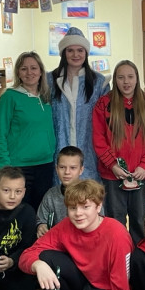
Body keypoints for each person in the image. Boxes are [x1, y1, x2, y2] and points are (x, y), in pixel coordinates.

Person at [18, 178, 132, 290]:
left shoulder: (116, 234)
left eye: (85, 207)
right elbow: (26, 256)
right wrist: (38, 265)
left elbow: (121, 285)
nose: (78, 213)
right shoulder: (66, 226)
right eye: (72, 208)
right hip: (82, 284)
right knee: (46, 257)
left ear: (98, 207)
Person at [93, 60, 145, 245]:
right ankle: (119, 253)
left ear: (137, 78)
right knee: (115, 218)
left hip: (139, 174)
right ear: (115, 80)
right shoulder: (103, 104)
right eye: (121, 77)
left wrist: (144, 165)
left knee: (139, 219)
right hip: (112, 175)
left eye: (130, 77)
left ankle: (139, 255)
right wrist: (112, 165)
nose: (126, 82)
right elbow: (98, 139)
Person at [0, 51, 56, 211]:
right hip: (19, 167)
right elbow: (0, 134)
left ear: (41, 71)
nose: (29, 73)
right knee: (20, 213)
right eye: (24, 69)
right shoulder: (10, 97)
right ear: (18, 73)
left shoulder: (46, 97)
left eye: (34, 68)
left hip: (46, 164)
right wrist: (5, 167)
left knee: (41, 213)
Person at [49, 27, 110, 183]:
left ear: (86, 53)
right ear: (63, 53)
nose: (75, 55)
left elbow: (106, 119)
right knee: (62, 192)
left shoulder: (99, 83)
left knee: (89, 193)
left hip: (89, 153)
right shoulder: (49, 80)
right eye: (70, 50)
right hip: (59, 150)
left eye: (80, 50)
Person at [36, 145, 84, 238]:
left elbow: (99, 223)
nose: (67, 172)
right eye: (62, 167)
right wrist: (41, 226)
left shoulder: (91, 194)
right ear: (56, 169)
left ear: (81, 170)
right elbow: (41, 219)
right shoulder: (51, 195)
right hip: (57, 241)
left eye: (73, 168)